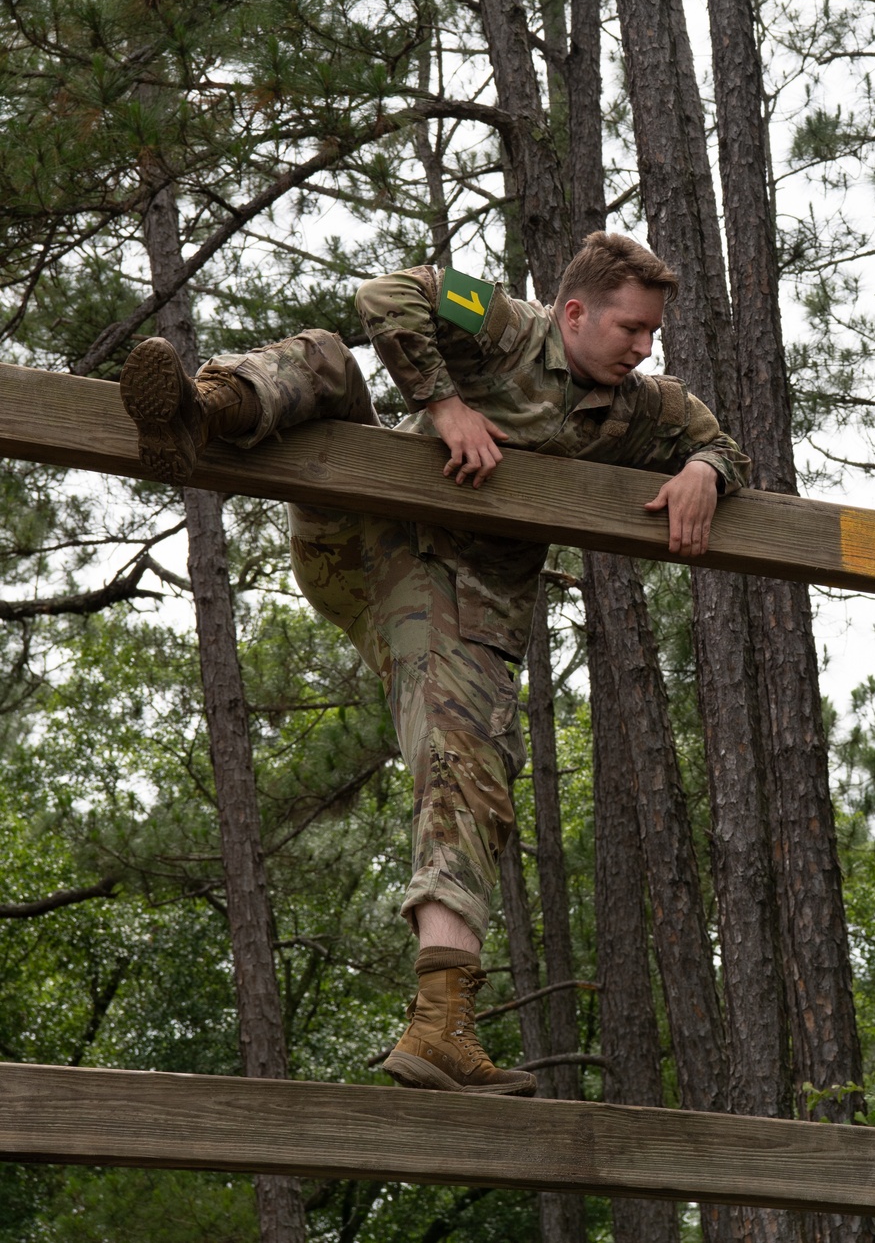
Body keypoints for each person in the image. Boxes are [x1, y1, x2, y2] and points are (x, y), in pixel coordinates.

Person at [119, 232, 751, 1098]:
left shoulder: (641, 409)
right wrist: (445, 404)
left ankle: (442, 1023)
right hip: (365, 545)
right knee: (331, 363)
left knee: (469, 776)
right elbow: (388, 293)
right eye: (631, 330)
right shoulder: (497, 322)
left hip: (457, 609)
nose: (644, 348)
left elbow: (724, 445)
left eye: (651, 335)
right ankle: (201, 412)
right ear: (573, 313)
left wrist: (706, 473)